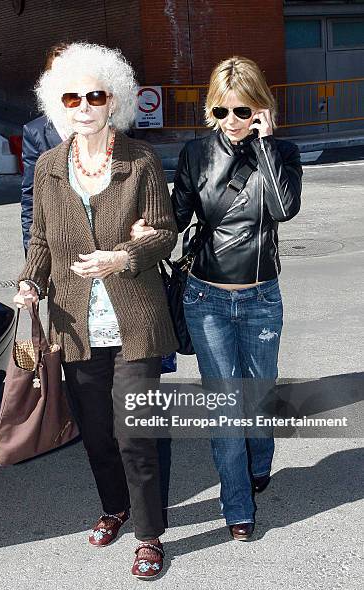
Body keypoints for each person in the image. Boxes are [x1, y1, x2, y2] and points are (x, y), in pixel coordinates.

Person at [13, 42, 178, 579]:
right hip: (75, 323)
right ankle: (115, 508)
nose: (83, 105)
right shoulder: (47, 166)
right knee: (99, 432)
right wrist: (29, 285)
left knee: (135, 432)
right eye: (72, 97)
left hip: (135, 319)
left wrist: (123, 255)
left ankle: (149, 535)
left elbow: (164, 235)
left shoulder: (141, 160)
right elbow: (40, 239)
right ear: (58, 104)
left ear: (115, 100)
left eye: (95, 95)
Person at [133, 56, 302, 540]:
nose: (233, 121)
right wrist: (148, 230)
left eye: (244, 111)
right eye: (223, 111)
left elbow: (284, 208)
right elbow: (177, 215)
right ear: (211, 110)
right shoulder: (194, 154)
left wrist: (265, 145)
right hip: (205, 297)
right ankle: (237, 506)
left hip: (261, 298)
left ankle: (260, 456)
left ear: (262, 110)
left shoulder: (283, 153)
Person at [20, 43, 69, 255]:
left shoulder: (106, 125)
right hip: (59, 241)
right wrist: (32, 253)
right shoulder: (36, 132)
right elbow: (31, 197)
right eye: (57, 74)